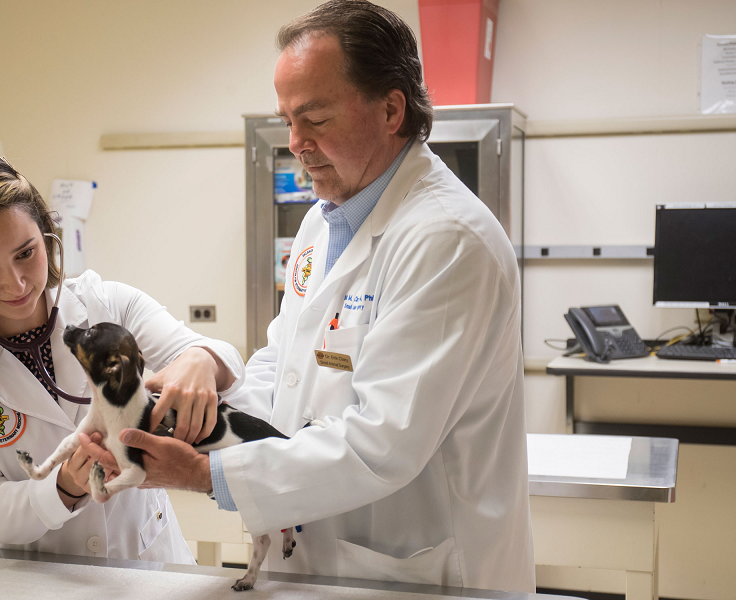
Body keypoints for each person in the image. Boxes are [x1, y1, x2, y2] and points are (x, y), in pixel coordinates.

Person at [82, 0, 535, 591]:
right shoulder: (326, 221)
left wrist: (207, 473)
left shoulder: (447, 239)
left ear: (391, 109)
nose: (295, 142)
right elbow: (284, 366)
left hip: (426, 567)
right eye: (287, 119)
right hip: (325, 559)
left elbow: (382, 442)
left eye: (315, 119)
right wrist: (202, 409)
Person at [0, 150, 244, 562]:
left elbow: (223, 358)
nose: (16, 283)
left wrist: (201, 360)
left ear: (47, 235)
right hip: (38, 579)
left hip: (149, 567)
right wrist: (64, 484)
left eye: (26, 253)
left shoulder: (106, 304)